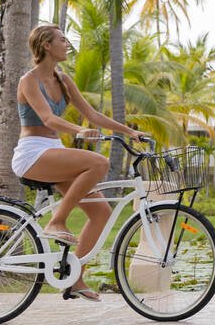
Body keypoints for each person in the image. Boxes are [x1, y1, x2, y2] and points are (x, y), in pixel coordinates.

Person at [13, 24, 149, 301]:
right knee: (98, 163)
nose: (67, 44)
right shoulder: (29, 80)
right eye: (62, 40)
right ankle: (57, 221)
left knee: (101, 213)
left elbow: (92, 114)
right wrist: (78, 131)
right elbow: (48, 119)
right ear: (47, 45)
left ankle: (74, 278)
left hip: (53, 151)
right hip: (32, 153)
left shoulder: (63, 80)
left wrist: (129, 131)